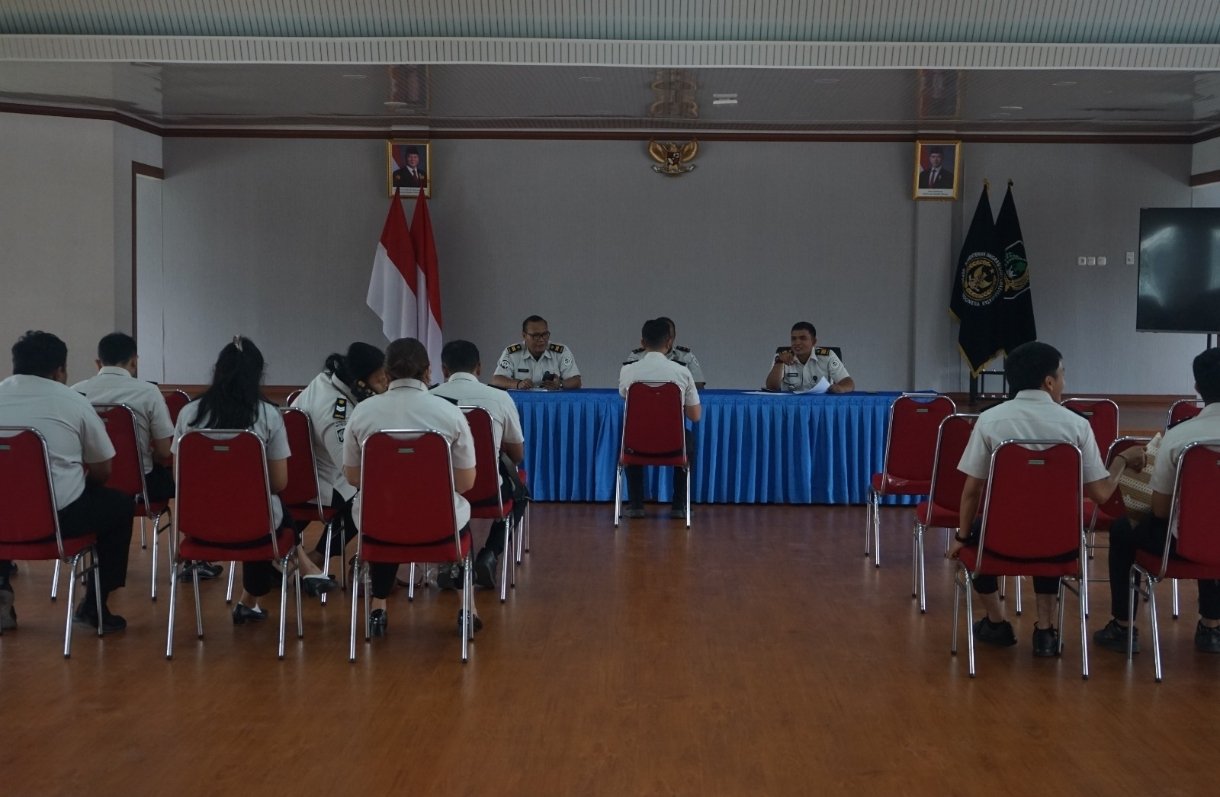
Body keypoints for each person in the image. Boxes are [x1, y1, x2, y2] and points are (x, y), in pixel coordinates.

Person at [946, 341, 1143, 657]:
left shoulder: (990, 420)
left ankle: (996, 622)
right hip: (1059, 541)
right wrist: (1121, 461)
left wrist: (960, 536)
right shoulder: (1077, 425)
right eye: (1062, 374)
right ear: (1049, 382)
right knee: (1050, 525)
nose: (1064, 381)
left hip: (999, 538)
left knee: (976, 535)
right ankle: (1046, 632)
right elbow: (1102, 494)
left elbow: (972, 490)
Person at [174, 337, 337, 625]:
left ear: (217, 370)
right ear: (258, 375)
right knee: (267, 508)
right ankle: (298, 571)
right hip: (255, 525)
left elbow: (180, 478)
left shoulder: (189, 414)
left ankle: (257, 598)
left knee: (263, 510)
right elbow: (278, 482)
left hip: (199, 524)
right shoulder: (268, 415)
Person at [342, 337, 480, 637]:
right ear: (428, 372)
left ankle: (378, 607)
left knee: (387, 513)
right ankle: (467, 608)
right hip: (439, 525)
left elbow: (353, 477)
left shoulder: (362, 412)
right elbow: (467, 482)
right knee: (456, 516)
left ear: (386, 373)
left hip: (379, 524)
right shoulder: (449, 413)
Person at [0, 331, 135, 633]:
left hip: (2, 518)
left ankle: (1, 586)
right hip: (59, 520)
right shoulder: (73, 401)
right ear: (60, 370)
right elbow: (103, 470)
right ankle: (94, 606)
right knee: (119, 505)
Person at [1094, 347, 1220, 655]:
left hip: (1182, 543)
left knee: (1125, 529)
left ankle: (1123, 627)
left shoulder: (1180, 436)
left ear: (1197, 387)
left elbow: (1162, 510)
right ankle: (1212, 626)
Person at [72, 333, 222, 582]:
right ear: (134, 361)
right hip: (143, 489)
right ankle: (195, 558)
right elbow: (165, 451)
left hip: (90, 488)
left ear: (98, 363)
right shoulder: (148, 392)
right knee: (189, 481)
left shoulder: (76, 392)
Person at [432, 339, 526, 589]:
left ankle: (453, 561)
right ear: (479, 367)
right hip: (489, 491)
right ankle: (490, 554)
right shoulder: (500, 398)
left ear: (443, 369)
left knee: (452, 499)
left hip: (439, 493)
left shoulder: (429, 398)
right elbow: (517, 455)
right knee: (520, 494)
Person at [289, 342, 388, 569]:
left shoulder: (326, 380)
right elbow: (349, 468)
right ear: (360, 383)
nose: (385, 385)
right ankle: (318, 556)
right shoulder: (336, 410)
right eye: (379, 380)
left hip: (298, 476)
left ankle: (292, 557)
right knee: (371, 495)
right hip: (317, 483)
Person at [618, 318, 702, 520]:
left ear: (642, 342)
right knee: (688, 439)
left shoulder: (628, 370)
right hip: (673, 443)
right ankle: (679, 506)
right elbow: (695, 416)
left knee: (629, 435)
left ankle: (636, 505)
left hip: (636, 444)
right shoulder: (681, 371)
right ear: (669, 341)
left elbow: (624, 397)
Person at [490, 315, 581, 390]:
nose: (541, 340)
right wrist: (518, 384)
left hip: (552, 403)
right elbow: (496, 380)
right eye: (535, 336)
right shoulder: (512, 353)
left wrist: (560, 384)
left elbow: (576, 381)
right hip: (521, 403)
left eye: (545, 334)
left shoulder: (560, 352)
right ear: (524, 335)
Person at [765, 322, 855, 393]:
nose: (797, 342)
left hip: (820, 405)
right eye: (794, 338)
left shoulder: (827, 356)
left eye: (803, 338)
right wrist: (779, 362)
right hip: (791, 406)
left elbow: (848, 382)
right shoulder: (781, 357)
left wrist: (840, 388)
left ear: (814, 341)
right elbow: (772, 387)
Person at [624, 316, 705, 389]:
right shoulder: (636, 356)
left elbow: (699, 387)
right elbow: (627, 387)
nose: (669, 340)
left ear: (674, 336)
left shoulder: (685, 356)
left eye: (671, 336)